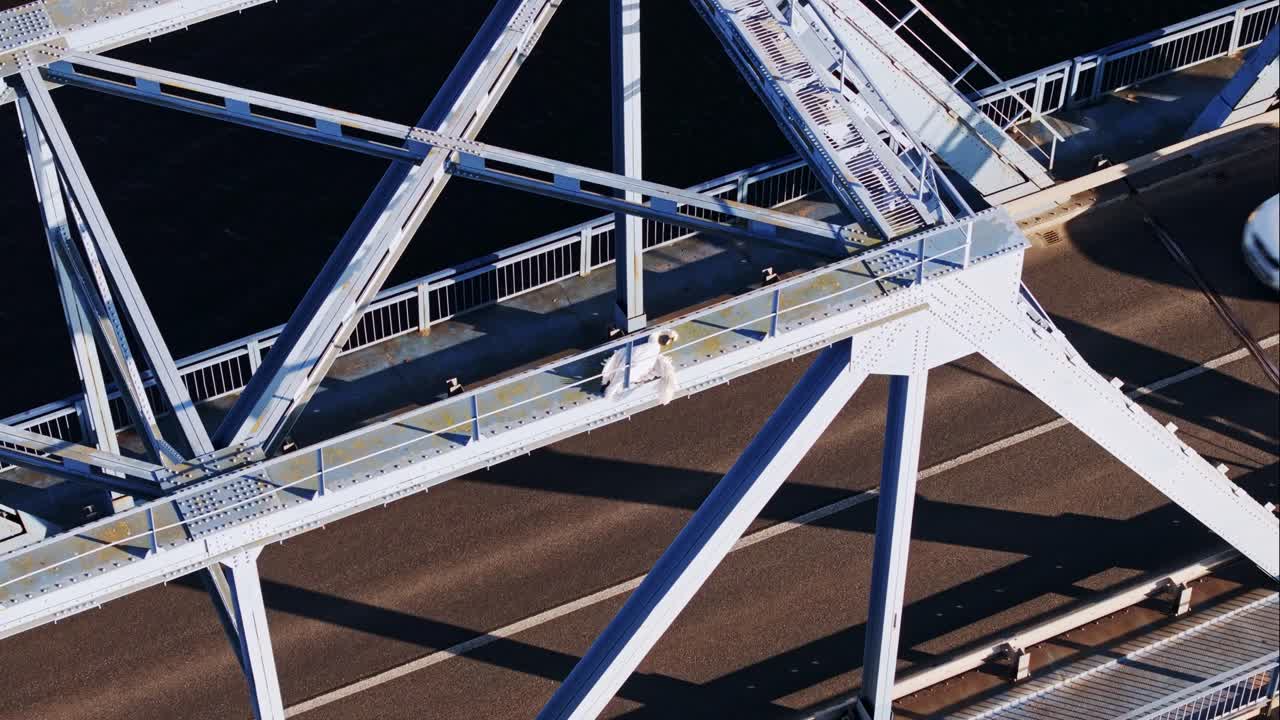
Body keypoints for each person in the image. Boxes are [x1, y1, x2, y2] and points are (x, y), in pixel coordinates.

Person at [602, 329, 680, 404]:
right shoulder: (653, 344)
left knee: (626, 372)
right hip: (633, 365)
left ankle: (612, 388)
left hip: (636, 368)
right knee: (625, 371)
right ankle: (611, 389)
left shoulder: (654, 345)